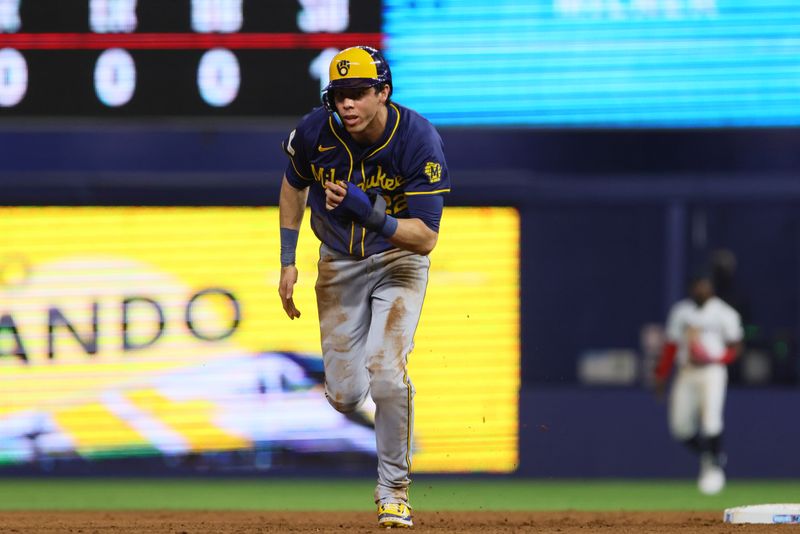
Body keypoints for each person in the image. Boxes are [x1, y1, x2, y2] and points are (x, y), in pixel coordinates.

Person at [277, 45, 450, 528]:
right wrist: (288, 260)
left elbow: (426, 237)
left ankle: (393, 490)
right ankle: (360, 414)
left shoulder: (417, 139)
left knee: (386, 372)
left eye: (358, 93)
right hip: (338, 264)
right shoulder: (316, 130)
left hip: (399, 261)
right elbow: (292, 184)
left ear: (383, 93)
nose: (347, 104)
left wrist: (369, 213)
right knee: (347, 396)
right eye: (339, 95)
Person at [653, 272, 743, 495]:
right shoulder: (681, 312)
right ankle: (711, 455)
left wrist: (717, 359)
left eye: (705, 286)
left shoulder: (723, 312)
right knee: (680, 428)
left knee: (711, 420)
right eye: (698, 286)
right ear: (692, 288)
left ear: (711, 288)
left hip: (712, 371)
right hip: (687, 372)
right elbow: (671, 346)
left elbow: (736, 345)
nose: (701, 290)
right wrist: (662, 376)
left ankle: (713, 470)